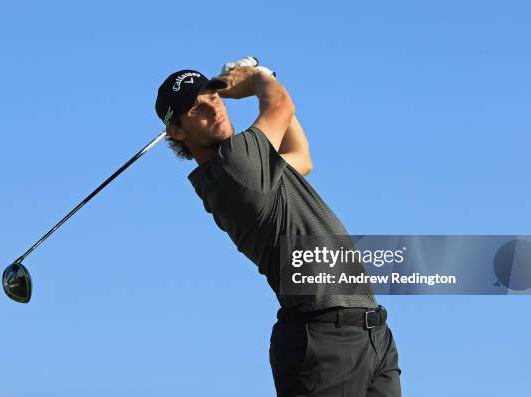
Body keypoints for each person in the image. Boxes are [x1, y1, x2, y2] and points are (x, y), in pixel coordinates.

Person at [155, 65, 402, 397]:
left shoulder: (251, 167)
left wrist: (267, 81)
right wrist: (259, 79)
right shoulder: (236, 164)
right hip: (323, 338)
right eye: (196, 108)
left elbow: (302, 157)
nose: (214, 106)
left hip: (370, 333)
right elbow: (280, 106)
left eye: (214, 96)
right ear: (177, 132)